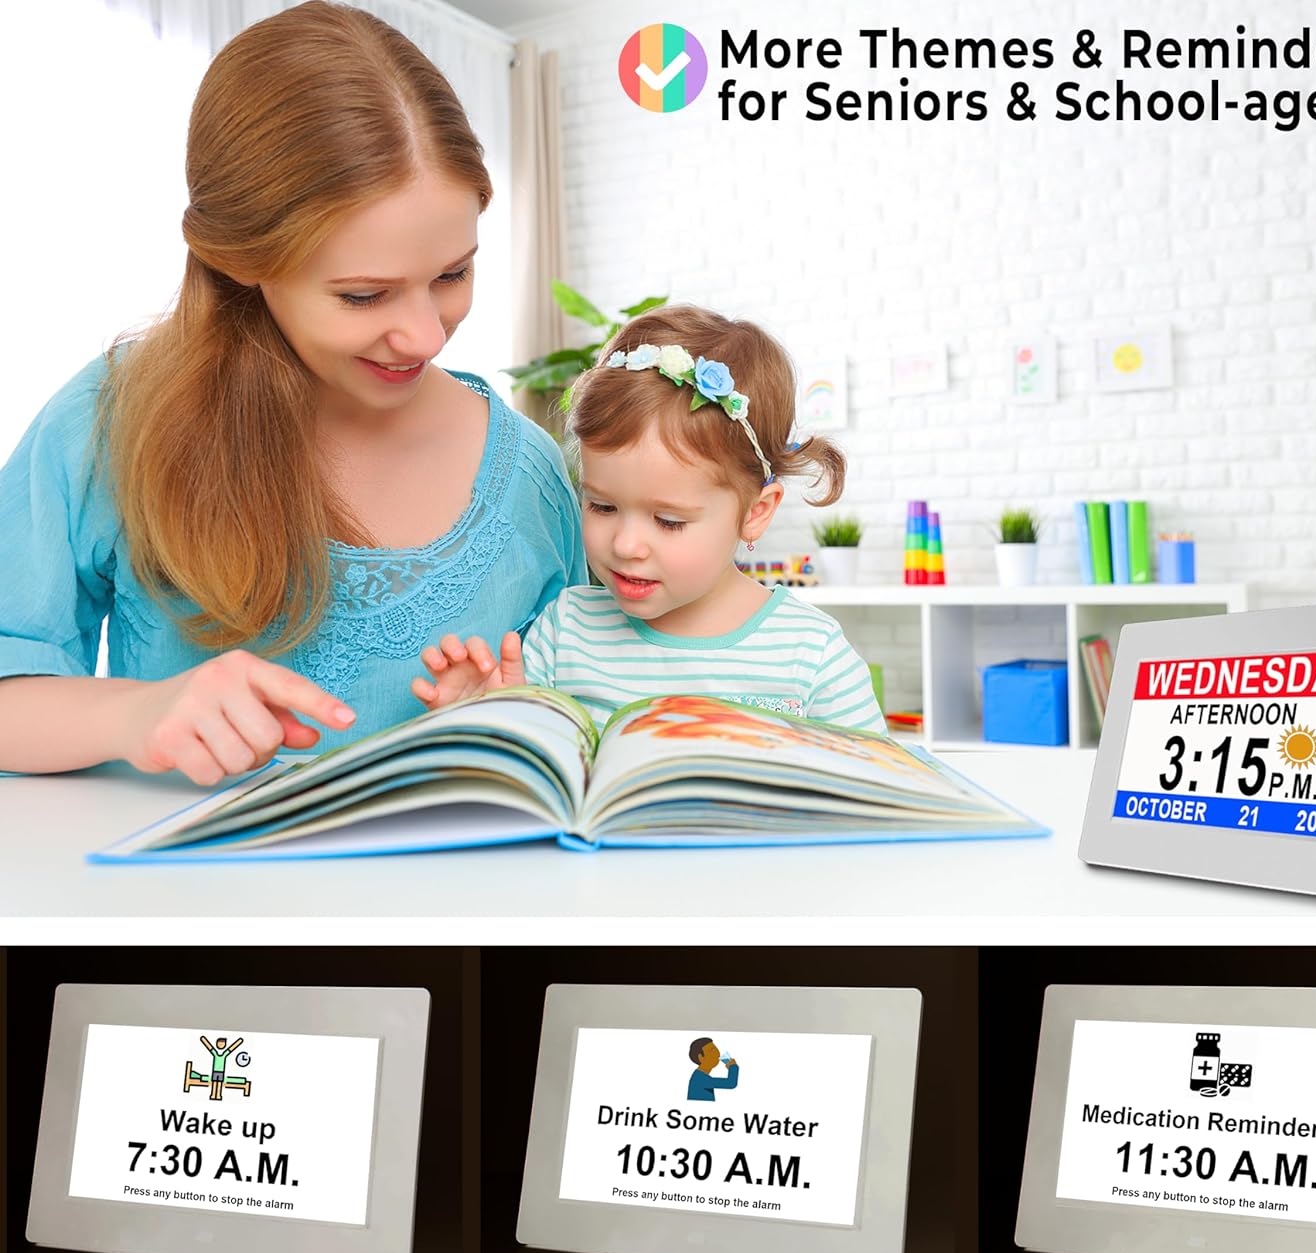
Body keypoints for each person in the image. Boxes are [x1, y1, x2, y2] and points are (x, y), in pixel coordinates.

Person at [0, 2, 584, 784]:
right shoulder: (112, 421)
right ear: (243, 258)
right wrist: (133, 716)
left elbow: (583, 721)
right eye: (364, 296)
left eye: (453, 274)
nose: (426, 335)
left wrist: (515, 717)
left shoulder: (530, 480)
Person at [412, 305, 885, 734]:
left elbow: (885, 797)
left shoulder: (811, 656)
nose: (626, 545)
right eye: (602, 506)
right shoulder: (565, 633)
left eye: (669, 521)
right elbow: (530, 778)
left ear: (755, 513)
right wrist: (483, 720)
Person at [686, 1037, 739, 1102]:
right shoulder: (700, 1079)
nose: (718, 1053)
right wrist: (733, 1067)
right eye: (712, 1050)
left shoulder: (700, 1075)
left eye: (716, 1049)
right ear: (701, 1057)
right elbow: (730, 1083)